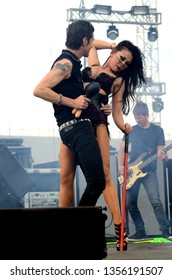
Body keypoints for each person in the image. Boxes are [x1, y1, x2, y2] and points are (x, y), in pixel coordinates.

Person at [59, 39, 146, 251]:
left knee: (105, 174)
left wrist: (123, 125)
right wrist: (112, 44)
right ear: (114, 52)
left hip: (97, 120)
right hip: (74, 119)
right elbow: (92, 45)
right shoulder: (94, 60)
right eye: (121, 58)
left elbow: (116, 112)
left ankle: (119, 227)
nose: (122, 64)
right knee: (66, 176)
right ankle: (60, 225)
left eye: (127, 64)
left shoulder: (119, 81)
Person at [33, 20, 106, 206]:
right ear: (84, 41)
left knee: (87, 181)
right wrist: (72, 102)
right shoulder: (66, 63)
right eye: (91, 40)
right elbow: (40, 89)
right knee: (97, 182)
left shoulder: (72, 64)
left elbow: (71, 90)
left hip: (74, 130)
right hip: (77, 129)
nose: (92, 44)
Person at [118, 101, 170, 239]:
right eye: (136, 117)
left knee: (155, 201)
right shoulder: (132, 130)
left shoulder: (158, 130)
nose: (137, 119)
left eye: (140, 117)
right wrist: (120, 166)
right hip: (132, 172)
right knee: (130, 203)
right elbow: (122, 148)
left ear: (147, 115)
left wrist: (162, 155)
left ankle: (165, 231)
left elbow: (160, 149)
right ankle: (140, 230)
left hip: (149, 172)